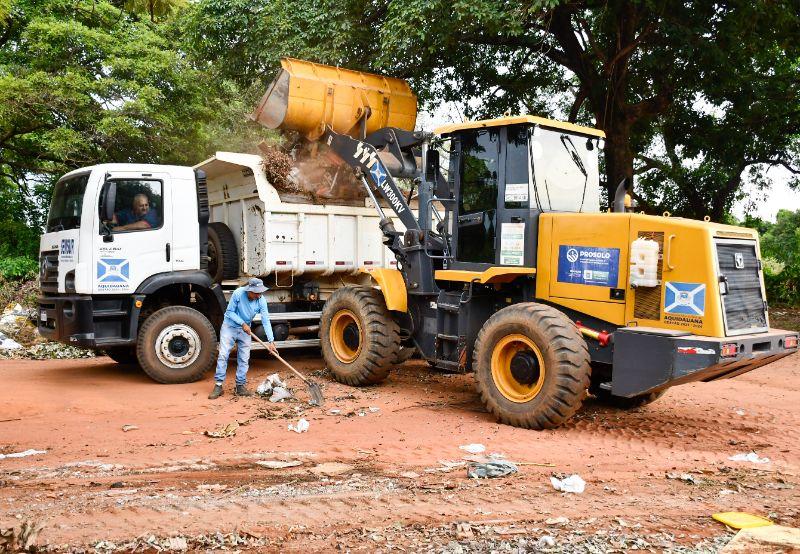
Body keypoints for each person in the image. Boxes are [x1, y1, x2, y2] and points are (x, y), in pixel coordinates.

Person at [209, 277, 278, 399]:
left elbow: (265, 320)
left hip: (245, 330)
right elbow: (229, 312)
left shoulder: (261, 300)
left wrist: (271, 341)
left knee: (244, 358)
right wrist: (242, 323)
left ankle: (240, 386)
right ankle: (218, 386)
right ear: (249, 290)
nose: (259, 295)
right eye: (256, 293)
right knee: (223, 354)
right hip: (229, 327)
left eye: (260, 292)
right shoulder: (238, 293)